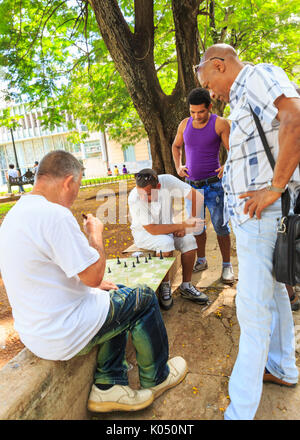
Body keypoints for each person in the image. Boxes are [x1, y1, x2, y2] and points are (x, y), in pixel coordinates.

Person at [0, 150, 188, 413]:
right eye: (75, 190)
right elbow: (94, 274)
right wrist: (95, 234)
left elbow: (52, 271)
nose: (74, 198)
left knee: (114, 293)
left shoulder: (16, 215)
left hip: (35, 332)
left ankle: (109, 385)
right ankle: (157, 377)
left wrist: (94, 284)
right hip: (64, 332)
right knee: (142, 298)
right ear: (68, 181)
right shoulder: (54, 215)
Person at [195, 43, 300, 420]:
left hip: (264, 216)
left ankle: (239, 413)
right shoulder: (241, 98)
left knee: (252, 311)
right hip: (258, 218)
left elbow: (295, 119)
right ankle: (285, 368)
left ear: (220, 65)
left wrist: (274, 187)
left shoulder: (256, 75)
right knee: (272, 297)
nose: (212, 93)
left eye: (210, 82)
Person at [172, 87, 234, 284]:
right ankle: (202, 259)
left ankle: (226, 266)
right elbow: (176, 146)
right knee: (197, 228)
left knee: (221, 227)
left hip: (214, 186)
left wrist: (227, 165)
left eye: (201, 111)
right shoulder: (184, 124)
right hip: (192, 187)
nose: (196, 116)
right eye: (192, 112)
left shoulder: (220, 124)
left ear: (210, 107)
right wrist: (178, 166)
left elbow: (233, 150)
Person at [128, 168, 209, 310]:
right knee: (166, 243)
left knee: (190, 240)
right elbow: (152, 229)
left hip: (167, 228)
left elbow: (197, 197)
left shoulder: (167, 181)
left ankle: (186, 286)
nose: (143, 198)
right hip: (144, 234)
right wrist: (182, 225)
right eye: (141, 194)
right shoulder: (135, 198)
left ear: (158, 187)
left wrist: (189, 223)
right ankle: (165, 287)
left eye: (147, 194)